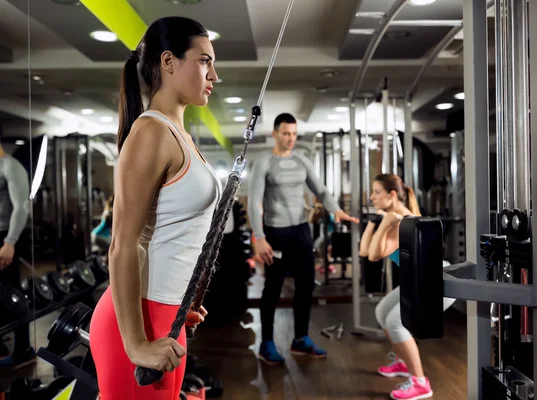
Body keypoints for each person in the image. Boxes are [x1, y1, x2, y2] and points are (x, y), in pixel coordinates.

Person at [88, 17, 220, 400]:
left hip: (167, 315)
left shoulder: (179, 135)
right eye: (204, 61)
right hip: (136, 324)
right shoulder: (151, 132)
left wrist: (180, 301)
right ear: (168, 62)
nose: (214, 74)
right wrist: (136, 344)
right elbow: (123, 244)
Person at [248, 113, 358, 365]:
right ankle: (266, 343)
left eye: (294, 134)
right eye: (286, 133)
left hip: (301, 231)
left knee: (306, 285)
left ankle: (300, 339)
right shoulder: (263, 163)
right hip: (275, 233)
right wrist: (260, 237)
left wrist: (336, 210)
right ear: (275, 133)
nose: (291, 138)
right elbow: (254, 202)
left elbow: (320, 190)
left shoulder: (302, 160)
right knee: (273, 289)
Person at [359, 174, 433, 400]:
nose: (372, 197)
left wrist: (384, 223)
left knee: (395, 322)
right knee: (382, 312)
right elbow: (363, 251)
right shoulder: (392, 218)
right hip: (417, 280)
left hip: (432, 278)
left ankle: (421, 383)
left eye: (376, 192)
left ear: (392, 195)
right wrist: (375, 221)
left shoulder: (403, 220)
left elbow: (372, 255)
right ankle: (403, 362)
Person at [0, 142, 33, 369]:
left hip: (5, 238)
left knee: (12, 294)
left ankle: (23, 350)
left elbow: (21, 207)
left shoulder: (11, 166)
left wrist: (10, 242)